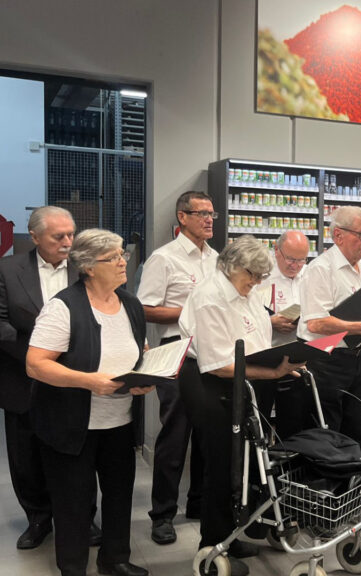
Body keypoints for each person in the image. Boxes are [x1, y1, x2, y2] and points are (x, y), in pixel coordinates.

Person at [26, 229, 150, 576]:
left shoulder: (130, 304)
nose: (123, 261)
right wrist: (89, 382)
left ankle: (115, 560)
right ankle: (73, 568)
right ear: (89, 267)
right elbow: (36, 364)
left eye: (122, 254)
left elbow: (138, 350)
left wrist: (146, 375)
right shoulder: (64, 307)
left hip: (119, 423)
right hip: (71, 426)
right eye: (113, 257)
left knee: (119, 495)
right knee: (74, 505)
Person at [178, 236, 304, 576]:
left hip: (248, 379)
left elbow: (256, 336)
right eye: (253, 276)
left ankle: (232, 536)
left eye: (262, 278)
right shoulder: (210, 298)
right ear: (232, 266)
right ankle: (212, 544)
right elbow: (218, 363)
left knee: (244, 462)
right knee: (221, 465)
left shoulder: (246, 291)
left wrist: (281, 362)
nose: (256, 283)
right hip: (213, 383)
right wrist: (274, 370)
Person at [0, 206, 104, 550]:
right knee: (27, 455)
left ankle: (82, 516)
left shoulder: (84, 269)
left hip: (74, 375)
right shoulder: (6, 270)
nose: (68, 242)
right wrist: (38, 355)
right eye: (58, 237)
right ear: (34, 237)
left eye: (71, 235)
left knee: (77, 452)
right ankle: (38, 518)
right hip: (22, 377)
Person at [298, 205, 361, 527]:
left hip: (357, 359)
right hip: (325, 361)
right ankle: (324, 507)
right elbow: (316, 323)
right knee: (329, 435)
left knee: (357, 432)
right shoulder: (320, 270)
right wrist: (358, 326)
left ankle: (355, 503)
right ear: (338, 235)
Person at [136, 191, 217, 545]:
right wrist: (192, 311)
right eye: (202, 213)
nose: (209, 219)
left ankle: (199, 503)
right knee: (175, 434)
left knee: (208, 435)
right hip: (177, 350)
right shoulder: (164, 259)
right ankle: (163, 515)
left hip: (212, 351)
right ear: (182, 217)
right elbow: (145, 308)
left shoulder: (216, 258)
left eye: (212, 213)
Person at [255, 230, 311, 439]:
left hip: (298, 355)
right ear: (276, 251)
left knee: (294, 419)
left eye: (301, 260)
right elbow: (243, 315)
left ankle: (289, 467)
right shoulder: (260, 275)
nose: (295, 265)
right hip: (264, 355)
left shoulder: (310, 274)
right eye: (290, 259)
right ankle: (258, 468)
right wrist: (269, 322)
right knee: (260, 417)